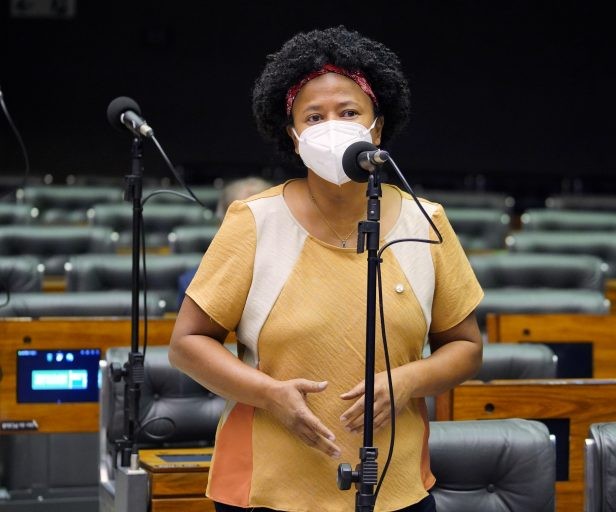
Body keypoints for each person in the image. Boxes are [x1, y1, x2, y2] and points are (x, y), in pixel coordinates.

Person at [169, 26, 483, 512]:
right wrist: (269, 394)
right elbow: (187, 344)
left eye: (349, 112)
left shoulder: (426, 222)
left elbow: (465, 347)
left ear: (377, 127)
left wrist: (407, 382)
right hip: (266, 489)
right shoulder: (254, 220)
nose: (331, 126)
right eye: (313, 117)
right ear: (294, 137)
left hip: (395, 486)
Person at [176, 176, 273, 309]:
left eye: (262, 221)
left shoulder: (295, 275)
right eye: (244, 222)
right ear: (221, 226)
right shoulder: (194, 284)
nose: (253, 232)